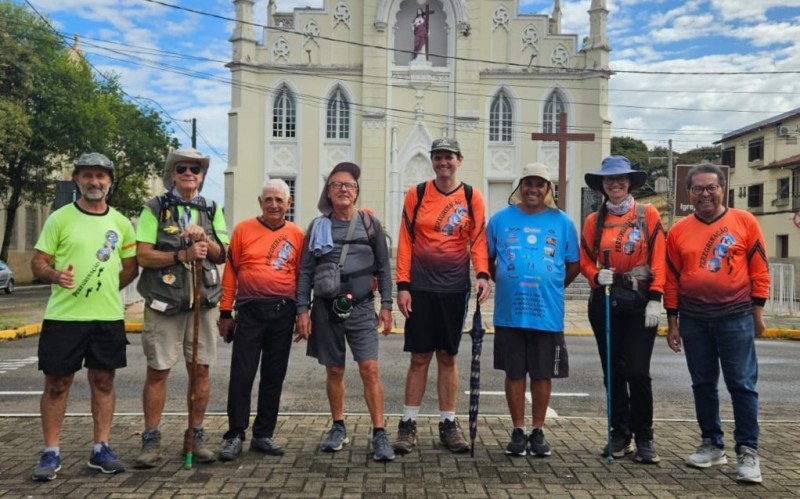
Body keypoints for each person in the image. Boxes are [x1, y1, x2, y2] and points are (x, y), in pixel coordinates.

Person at [30, 153, 138, 481]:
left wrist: (105, 291)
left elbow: (130, 268)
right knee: (57, 384)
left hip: (107, 317)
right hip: (64, 317)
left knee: (103, 382)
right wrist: (56, 275)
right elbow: (39, 261)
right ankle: (50, 451)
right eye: (88, 175)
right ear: (77, 179)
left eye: (101, 176)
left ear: (110, 181)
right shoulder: (60, 218)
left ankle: (101, 448)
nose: (94, 181)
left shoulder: (121, 223)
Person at [665, 164, 769, 484]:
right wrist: (673, 321)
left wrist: (758, 313)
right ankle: (712, 444)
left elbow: (759, 269)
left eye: (711, 187)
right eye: (698, 188)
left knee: (742, 385)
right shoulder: (678, 231)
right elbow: (672, 278)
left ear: (723, 189)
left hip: (736, 317)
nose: (705, 194)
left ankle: (748, 452)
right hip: (694, 320)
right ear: (689, 193)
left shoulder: (745, 221)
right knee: (703, 384)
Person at [394, 138, 491, 454]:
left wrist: (482, 274)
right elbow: (406, 239)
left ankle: (448, 424)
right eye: (437, 157)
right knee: (419, 357)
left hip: (454, 289)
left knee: (448, 357)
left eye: (448, 157)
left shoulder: (471, 196)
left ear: (459, 160)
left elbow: (478, 239)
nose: (443, 162)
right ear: (432, 161)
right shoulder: (418, 193)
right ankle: (408, 423)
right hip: (421, 288)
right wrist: (403, 285)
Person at [134, 148, 229, 468]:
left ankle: (195, 436)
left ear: (202, 176)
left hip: (203, 303)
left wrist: (205, 240)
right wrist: (181, 256)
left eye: (195, 169)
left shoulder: (212, 208)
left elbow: (222, 254)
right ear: (172, 174)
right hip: (164, 303)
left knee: (200, 370)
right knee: (158, 370)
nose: (189, 173)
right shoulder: (155, 208)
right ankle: (151, 439)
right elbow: (143, 255)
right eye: (182, 168)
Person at [295, 162, 396, 462]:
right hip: (326, 308)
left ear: (356, 192)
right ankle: (338, 426)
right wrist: (302, 309)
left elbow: (384, 267)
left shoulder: (370, 224)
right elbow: (305, 271)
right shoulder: (317, 227)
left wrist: (386, 305)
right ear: (328, 192)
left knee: (370, 368)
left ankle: (379, 432)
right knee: (334, 369)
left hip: (362, 307)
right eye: (337, 185)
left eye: (349, 185)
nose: (343, 189)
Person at [487, 163, 580, 457]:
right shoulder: (500, 219)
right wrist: (506, 280)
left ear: (548, 189)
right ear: (520, 186)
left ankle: (537, 430)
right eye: (528, 183)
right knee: (514, 373)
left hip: (547, 313)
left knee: (542, 374)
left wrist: (552, 284)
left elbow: (574, 264)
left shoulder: (562, 222)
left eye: (540, 184)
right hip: (510, 313)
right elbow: (488, 259)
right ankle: (518, 430)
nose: (533, 189)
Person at [579, 155, 666, 464]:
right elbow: (584, 259)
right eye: (609, 179)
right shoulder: (594, 220)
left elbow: (659, 256)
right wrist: (594, 275)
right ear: (602, 185)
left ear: (629, 182)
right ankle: (620, 433)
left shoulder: (647, 214)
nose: (615, 184)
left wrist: (656, 296)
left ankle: (644, 436)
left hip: (640, 300)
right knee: (613, 372)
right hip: (605, 300)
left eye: (620, 178)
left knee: (638, 372)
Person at [216, 179, 304, 461]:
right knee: (242, 374)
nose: (274, 205)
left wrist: (303, 312)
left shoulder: (297, 234)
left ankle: (263, 434)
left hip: (283, 311)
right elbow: (231, 273)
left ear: (289, 203)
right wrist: (225, 312)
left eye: (279, 200)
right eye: (269, 200)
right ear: (260, 202)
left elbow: (302, 277)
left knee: (273, 375)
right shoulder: (243, 230)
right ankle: (235, 434)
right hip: (250, 311)